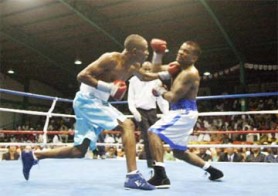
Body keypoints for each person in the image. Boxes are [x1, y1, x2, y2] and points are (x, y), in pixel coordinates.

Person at [20, 34, 155, 190]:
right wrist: (109, 88)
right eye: (145, 50)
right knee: (127, 124)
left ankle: (34, 156)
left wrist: (167, 72)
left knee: (79, 151)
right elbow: (82, 75)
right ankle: (133, 176)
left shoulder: (133, 67)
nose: (147, 53)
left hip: (99, 103)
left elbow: (145, 77)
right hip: (87, 100)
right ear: (134, 50)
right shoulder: (111, 59)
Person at [140, 39, 224, 188]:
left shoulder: (189, 73)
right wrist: (158, 54)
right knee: (179, 152)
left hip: (183, 112)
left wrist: (160, 90)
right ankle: (212, 170)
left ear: (194, 58)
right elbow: (156, 69)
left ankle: (160, 176)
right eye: (181, 49)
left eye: (186, 52)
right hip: (180, 112)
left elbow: (172, 97)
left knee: (153, 131)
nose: (181, 52)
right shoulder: (178, 66)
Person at [128, 61, 169, 168]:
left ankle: (159, 160)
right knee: (146, 137)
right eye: (145, 69)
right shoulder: (133, 80)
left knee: (157, 136)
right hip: (140, 111)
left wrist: (166, 112)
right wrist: (134, 112)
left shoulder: (156, 80)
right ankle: (151, 162)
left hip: (152, 111)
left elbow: (160, 99)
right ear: (141, 68)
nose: (147, 71)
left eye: (149, 69)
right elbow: (130, 99)